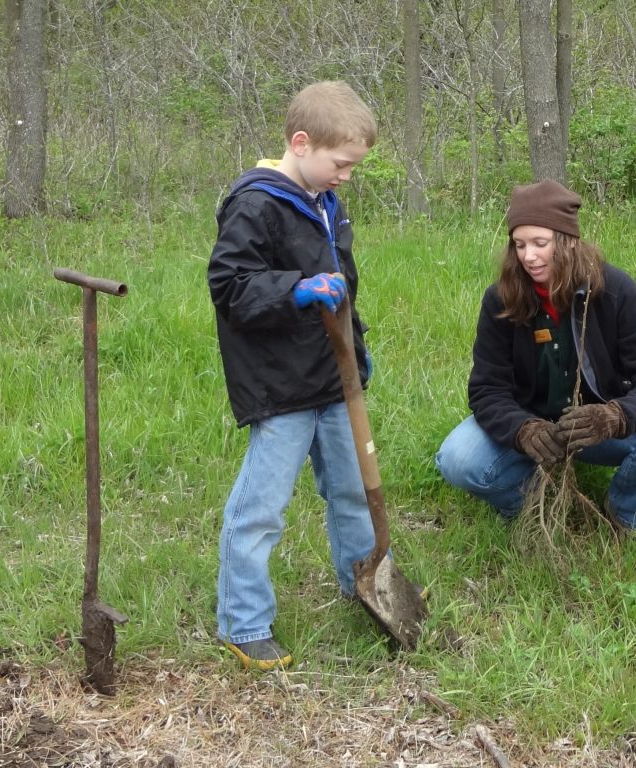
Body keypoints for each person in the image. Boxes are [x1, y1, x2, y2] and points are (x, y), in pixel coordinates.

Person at [208, 81, 378, 670]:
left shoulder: (326, 200)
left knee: (353, 490)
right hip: (280, 387)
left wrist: (356, 349)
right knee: (262, 508)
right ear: (301, 144)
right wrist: (295, 290)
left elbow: (343, 288)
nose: (347, 176)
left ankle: (365, 586)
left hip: (333, 377)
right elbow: (229, 287)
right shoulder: (256, 203)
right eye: (342, 163)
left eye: (354, 166)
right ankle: (244, 621)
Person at [436, 179, 636, 535]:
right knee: (457, 458)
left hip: (600, 431)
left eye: (540, 243)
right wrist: (523, 429)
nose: (529, 256)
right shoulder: (501, 299)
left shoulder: (617, 291)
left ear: (568, 241)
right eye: (519, 244)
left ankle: (628, 518)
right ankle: (533, 503)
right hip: (535, 431)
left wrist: (615, 416)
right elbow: (486, 390)